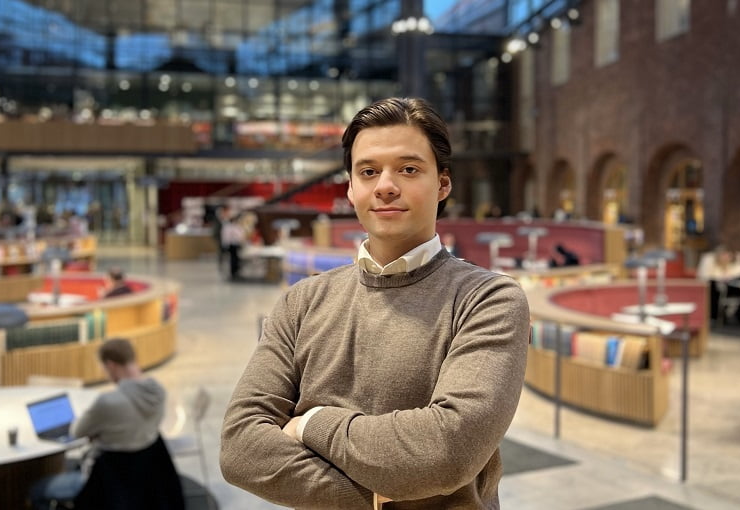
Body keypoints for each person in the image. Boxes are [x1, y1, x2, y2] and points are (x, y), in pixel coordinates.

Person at [220, 97, 530, 509]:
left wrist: (311, 423)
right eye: (368, 171)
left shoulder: (488, 300)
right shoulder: (302, 302)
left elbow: (447, 452)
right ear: (351, 188)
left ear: (443, 184)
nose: (385, 185)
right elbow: (240, 450)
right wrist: (388, 497)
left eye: (408, 169)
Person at [29, 338, 176, 509]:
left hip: (108, 483)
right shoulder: (158, 392)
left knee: (37, 491)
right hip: (145, 481)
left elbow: (76, 431)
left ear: (111, 366)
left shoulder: (108, 403)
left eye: (104, 369)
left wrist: (99, 431)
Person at [697, 245, 740, 322]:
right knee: (713, 286)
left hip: (723, 287)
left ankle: (738, 316)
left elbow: (739, 273)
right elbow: (705, 276)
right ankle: (713, 316)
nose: (727, 258)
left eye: (729, 256)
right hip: (709, 287)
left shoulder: (727, 264)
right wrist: (720, 277)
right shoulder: (709, 260)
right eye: (724, 255)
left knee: (737, 288)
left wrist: (739, 261)